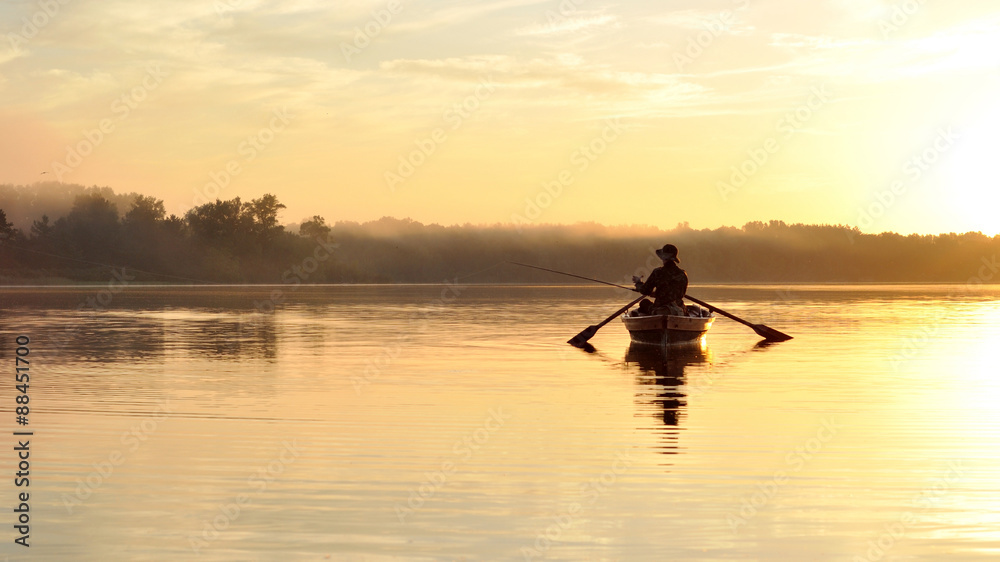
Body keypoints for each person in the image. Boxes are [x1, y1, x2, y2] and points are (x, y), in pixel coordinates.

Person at [632, 244, 688, 317]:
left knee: (644, 302)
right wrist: (658, 294)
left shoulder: (658, 272)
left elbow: (645, 291)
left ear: (663, 258)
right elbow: (681, 294)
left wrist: (638, 282)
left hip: (661, 309)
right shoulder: (682, 274)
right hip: (678, 307)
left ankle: (655, 313)